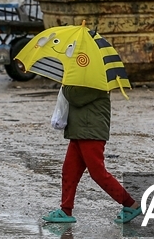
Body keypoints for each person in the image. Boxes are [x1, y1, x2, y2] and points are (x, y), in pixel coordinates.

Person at [42, 84, 142, 225]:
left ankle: (131, 205)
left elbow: (75, 97)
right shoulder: (83, 79)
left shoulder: (96, 82)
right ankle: (65, 210)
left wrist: (65, 85)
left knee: (98, 173)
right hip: (79, 131)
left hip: (91, 133)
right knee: (69, 171)